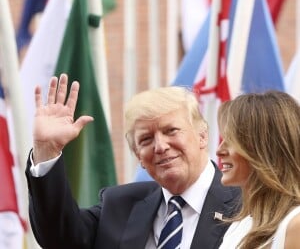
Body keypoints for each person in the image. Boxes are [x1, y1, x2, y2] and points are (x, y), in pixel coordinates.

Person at [25, 73, 240, 249]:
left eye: (171, 130)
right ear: (139, 157)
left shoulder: (248, 204)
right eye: (146, 139)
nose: (160, 146)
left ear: (202, 136)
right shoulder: (120, 206)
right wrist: (47, 151)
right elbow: (60, 237)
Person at [217, 91, 300, 249]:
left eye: (232, 141)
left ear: (264, 150)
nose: (219, 151)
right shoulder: (239, 225)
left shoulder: (295, 225)